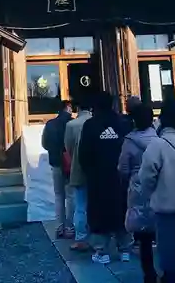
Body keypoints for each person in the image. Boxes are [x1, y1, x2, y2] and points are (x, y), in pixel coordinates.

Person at [138, 99, 175, 283]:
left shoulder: (157, 146)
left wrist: (149, 197)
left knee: (170, 259)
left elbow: (146, 179)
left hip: (167, 210)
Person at [79, 91, 131, 264]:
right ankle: (125, 249)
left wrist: (90, 172)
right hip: (122, 176)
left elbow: (83, 154)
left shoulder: (90, 125)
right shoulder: (123, 123)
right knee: (122, 210)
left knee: (100, 213)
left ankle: (102, 251)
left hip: (98, 176)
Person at [118, 103, 159, 283]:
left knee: (143, 237)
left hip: (138, 185)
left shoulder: (129, 141)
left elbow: (123, 167)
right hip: (159, 185)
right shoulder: (159, 137)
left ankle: (149, 274)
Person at [42, 100, 75, 239]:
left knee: (58, 195)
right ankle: (70, 226)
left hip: (56, 162)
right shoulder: (72, 123)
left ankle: (59, 226)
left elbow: (44, 144)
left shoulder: (50, 124)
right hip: (71, 163)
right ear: (67, 108)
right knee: (71, 196)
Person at [64, 97, 93, 251]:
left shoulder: (71, 125)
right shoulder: (95, 122)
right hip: (96, 168)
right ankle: (98, 236)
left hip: (78, 167)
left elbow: (68, 147)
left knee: (80, 205)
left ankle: (81, 238)